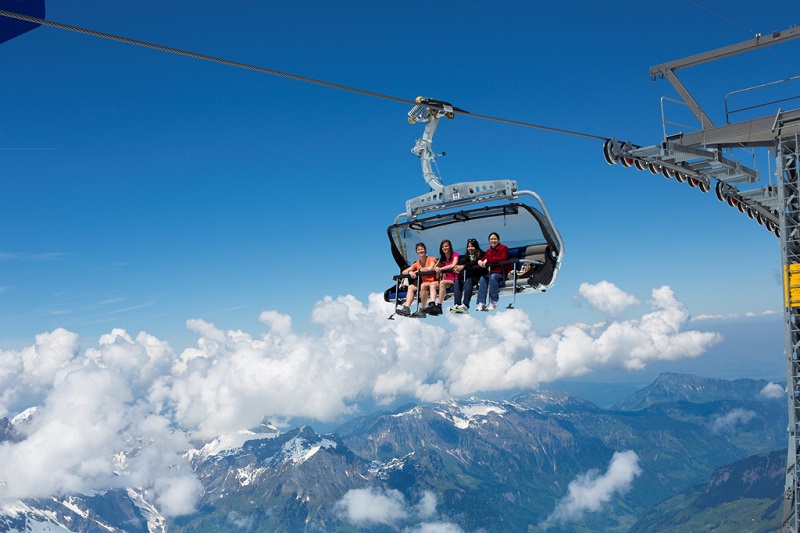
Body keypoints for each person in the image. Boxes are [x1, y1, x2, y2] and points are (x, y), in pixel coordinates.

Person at [396, 242, 437, 318]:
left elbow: (430, 268)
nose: (420, 251)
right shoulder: (417, 263)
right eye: (418, 250)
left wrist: (418, 271)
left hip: (433, 282)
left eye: (422, 249)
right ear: (417, 252)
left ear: (425, 250)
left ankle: (422, 310)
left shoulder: (431, 259)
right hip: (423, 284)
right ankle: (407, 308)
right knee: (411, 287)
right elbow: (404, 271)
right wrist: (410, 271)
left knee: (423, 286)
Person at [450, 238, 485, 314]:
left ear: (476, 247)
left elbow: (474, 262)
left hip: (479, 277)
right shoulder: (467, 255)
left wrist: (463, 267)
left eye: (472, 246)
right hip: (470, 276)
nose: (470, 248)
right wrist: (457, 267)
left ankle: (465, 305)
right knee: (457, 282)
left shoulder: (481, 254)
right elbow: (462, 262)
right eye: (468, 247)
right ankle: (457, 304)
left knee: (468, 281)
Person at [476, 232, 509, 311]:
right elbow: (484, 259)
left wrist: (488, 260)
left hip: (501, 273)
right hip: (491, 273)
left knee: (493, 277)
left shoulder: (503, 248)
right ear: (489, 241)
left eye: (495, 239)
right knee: (483, 278)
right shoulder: (488, 251)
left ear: (498, 240)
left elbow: (502, 258)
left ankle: (494, 301)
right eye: (491, 239)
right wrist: (480, 261)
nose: (493, 241)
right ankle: (481, 302)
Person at [428, 239, 459, 316]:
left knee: (442, 283)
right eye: (443, 247)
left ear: (450, 247)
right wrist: (436, 268)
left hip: (454, 279)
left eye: (446, 246)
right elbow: (434, 267)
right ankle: (432, 304)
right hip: (446, 279)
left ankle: (439, 306)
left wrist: (441, 269)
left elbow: (453, 265)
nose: (445, 248)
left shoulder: (455, 255)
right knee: (432, 284)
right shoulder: (442, 258)